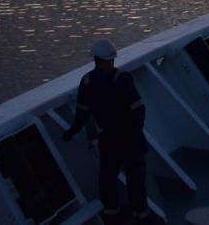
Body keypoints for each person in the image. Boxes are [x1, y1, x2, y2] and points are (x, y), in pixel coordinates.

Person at [62, 38, 150, 221]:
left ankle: (112, 215)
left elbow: (82, 114)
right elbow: (138, 110)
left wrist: (71, 132)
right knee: (135, 180)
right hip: (128, 138)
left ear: (95, 59)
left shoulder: (86, 82)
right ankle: (141, 216)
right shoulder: (123, 79)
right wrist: (136, 136)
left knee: (108, 179)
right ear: (111, 59)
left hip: (108, 140)